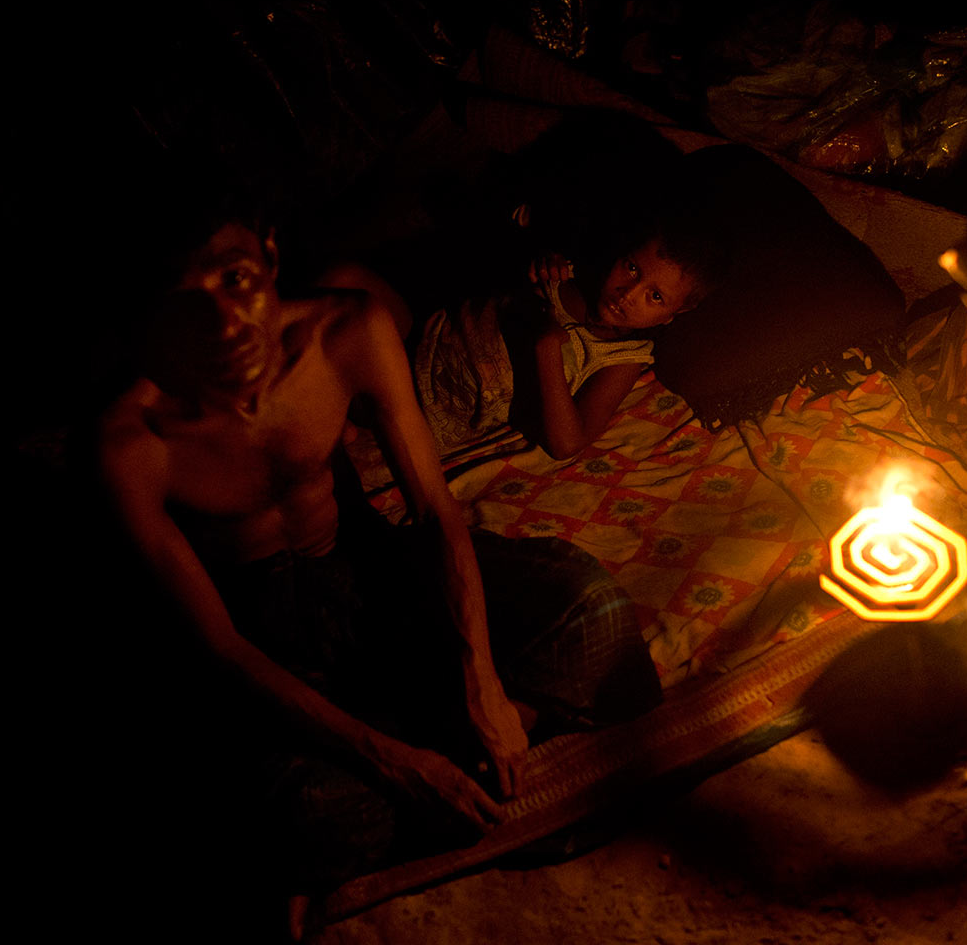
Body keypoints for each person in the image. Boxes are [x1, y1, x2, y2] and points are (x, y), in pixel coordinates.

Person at [97, 177, 659, 937]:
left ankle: (460, 750)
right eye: (186, 301)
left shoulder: (346, 331)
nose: (226, 323)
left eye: (235, 281)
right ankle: (437, 769)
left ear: (267, 256)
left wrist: (483, 682)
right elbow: (219, 648)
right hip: (262, 634)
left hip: (368, 570)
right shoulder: (130, 442)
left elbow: (434, 513)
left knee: (591, 607)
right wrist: (398, 762)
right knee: (297, 817)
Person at [408, 194, 721, 461]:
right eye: (632, 268)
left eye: (655, 296)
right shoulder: (565, 273)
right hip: (413, 336)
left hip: (417, 416)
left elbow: (567, 443)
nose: (627, 294)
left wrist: (546, 347)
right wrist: (533, 260)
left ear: (675, 313)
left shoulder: (621, 357)